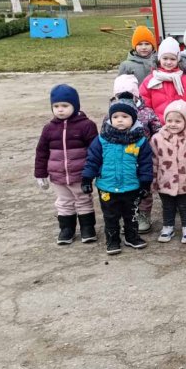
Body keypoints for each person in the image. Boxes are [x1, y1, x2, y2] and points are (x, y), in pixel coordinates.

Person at [81, 97, 153, 255]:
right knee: (110, 216)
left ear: (133, 119)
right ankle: (112, 240)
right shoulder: (102, 140)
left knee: (131, 214)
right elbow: (92, 160)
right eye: (116, 117)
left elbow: (146, 164)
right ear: (110, 119)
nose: (120, 120)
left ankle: (131, 237)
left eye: (125, 117)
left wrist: (145, 183)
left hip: (131, 186)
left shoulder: (140, 141)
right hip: (107, 187)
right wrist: (87, 178)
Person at [34, 84, 99, 245]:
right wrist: (40, 174)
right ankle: (66, 229)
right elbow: (41, 152)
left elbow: (95, 149)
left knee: (83, 200)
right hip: (58, 174)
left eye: (65, 106)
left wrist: (96, 170)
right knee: (63, 201)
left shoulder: (86, 125)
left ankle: (87, 228)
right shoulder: (49, 129)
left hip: (80, 173)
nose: (60, 110)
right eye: (56, 106)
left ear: (75, 106)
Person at [150, 100, 186, 244]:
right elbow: (153, 161)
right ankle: (168, 226)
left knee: (185, 205)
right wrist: (152, 180)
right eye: (169, 120)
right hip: (165, 181)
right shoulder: (157, 139)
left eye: (177, 121)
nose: (173, 124)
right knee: (167, 205)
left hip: (185, 181)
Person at [112, 74, 162, 232]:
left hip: (142, 156)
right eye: (121, 96)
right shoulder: (112, 113)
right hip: (121, 157)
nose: (125, 100)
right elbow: (105, 133)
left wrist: (154, 146)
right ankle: (128, 215)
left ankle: (143, 215)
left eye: (129, 96)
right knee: (124, 187)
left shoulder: (146, 112)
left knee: (144, 186)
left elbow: (158, 130)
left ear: (136, 95)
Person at [139, 37, 186, 125]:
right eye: (165, 58)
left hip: (183, 127)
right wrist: (153, 124)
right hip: (158, 127)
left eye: (172, 59)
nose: (168, 62)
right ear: (159, 59)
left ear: (178, 60)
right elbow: (145, 106)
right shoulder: (149, 81)